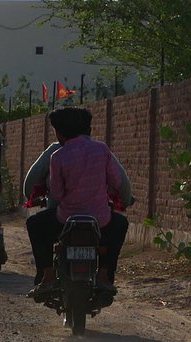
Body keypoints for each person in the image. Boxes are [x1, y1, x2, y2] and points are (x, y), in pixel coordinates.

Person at [22, 106, 132, 305]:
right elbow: (118, 181)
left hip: (66, 219)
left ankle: (47, 276)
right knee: (120, 225)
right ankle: (104, 276)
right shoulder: (102, 150)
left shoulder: (57, 156)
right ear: (87, 129)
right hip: (100, 220)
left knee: (34, 224)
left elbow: (57, 194)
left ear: (59, 133)